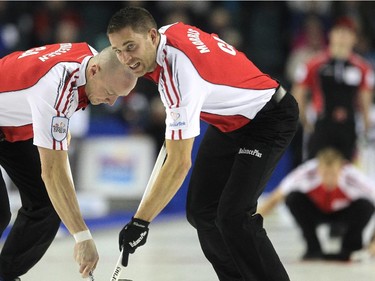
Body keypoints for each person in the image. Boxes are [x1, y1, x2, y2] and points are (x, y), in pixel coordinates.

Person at [107, 6, 299, 281]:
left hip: (268, 118)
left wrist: (141, 221)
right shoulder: (167, 32)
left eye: (130, 47)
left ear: (151, 36)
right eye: (118, 51)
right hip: (230, 121)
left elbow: (179, 163)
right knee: (202, 211)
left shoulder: (179, 77)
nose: (126, 58)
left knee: (234, 216)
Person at [0, 43, 137, 281]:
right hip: (11, 119)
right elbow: (52, 172)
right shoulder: (55, 87)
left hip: (11, 124)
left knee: (48, 204)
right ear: (94, 71)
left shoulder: (93, 59)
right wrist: (82, 236)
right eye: (110, 92)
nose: (112, 102)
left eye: (119, 96)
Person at [257, 148, 375, 261]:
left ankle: (350, 248)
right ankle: (313, 247)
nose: (329, 179)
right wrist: (249, 221)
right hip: (316, 212)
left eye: (333, 174)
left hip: (343, 213)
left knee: (366, 205)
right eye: (325, 174)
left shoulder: (351, 175)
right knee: (293, 198)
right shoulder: (308, 171)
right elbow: (276, 197)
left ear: (341, 169)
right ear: (318, 169)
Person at [292, 16, 374, 161]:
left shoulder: (363, 68)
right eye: (339, 31)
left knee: (346, 171)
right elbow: (299, 91)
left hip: (348, 125)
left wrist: (366, 123)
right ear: (331, 35)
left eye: (347, 33)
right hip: (321, 122)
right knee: (314, 166)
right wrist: (304, 120)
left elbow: (366, 97)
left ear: (354, 38)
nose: (343, 36)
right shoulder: (314, 64)